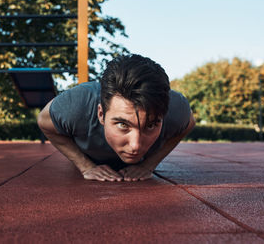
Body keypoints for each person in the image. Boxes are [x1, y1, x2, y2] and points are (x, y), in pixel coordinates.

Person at [38, 54, 195, 182]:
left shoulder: (175, 107)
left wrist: (149, 165)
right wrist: (85, 166)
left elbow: (189, 124)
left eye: (151, 125)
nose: (135, 146)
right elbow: (43, 121)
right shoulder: (77, 105)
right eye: (122, 125)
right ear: (101, 114)